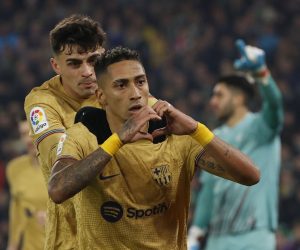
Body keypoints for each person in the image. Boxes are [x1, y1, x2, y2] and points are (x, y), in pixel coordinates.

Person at [47, 46, 259, 249]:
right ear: (102, 96)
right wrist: (118, 140)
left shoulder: (176, 136)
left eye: (140, 82)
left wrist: (196, 129)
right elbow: (57, 190)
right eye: (121, 85)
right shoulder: (83, 136)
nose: (136, 93)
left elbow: (250, 175)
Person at [187, 39, 283, 250]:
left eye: (219, 95)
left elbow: (275, 106)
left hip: (254, 235)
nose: (212, 101)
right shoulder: (214, 137)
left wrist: (262, 74)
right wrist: (196, 232)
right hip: (218, 238)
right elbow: (209, 189)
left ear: (239, 98)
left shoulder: (262, 126)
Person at [24, 14, 106, 249]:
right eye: (74, 63)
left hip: (122, 231)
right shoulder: (42, 102)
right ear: (55, 65)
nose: (88, 71)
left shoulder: (119, 87)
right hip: (73, 238)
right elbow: (60, 163)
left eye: (93, 60)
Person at [6, 117, 48, 250]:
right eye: (24, 134)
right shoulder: (14, 168)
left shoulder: (62, 166)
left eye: (33, 132)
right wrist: (12, 245)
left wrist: (54, 218)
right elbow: (17, 209)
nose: (29, 139)